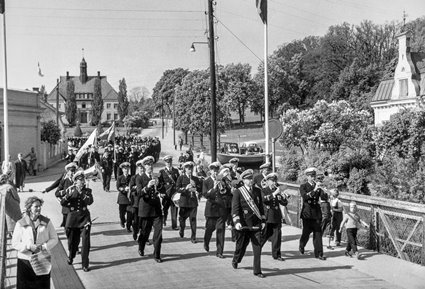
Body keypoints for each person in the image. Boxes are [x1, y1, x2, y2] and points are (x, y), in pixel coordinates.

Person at [12, 196, 58, 289]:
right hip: (25, 261)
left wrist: (44, 247)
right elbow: (15, 243)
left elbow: (54, 238)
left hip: (42, 259)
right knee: (25, 286)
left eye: (40, 206)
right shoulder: (21, 223)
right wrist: (28, 246)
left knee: (42, 286)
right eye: (36, 206)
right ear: (29, 208)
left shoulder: (46, 222)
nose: (39, 208)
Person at [231, 169, 266, 278]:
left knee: (257, 248)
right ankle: (236, 259)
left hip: (255, 224)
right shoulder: (238, 191)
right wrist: (236, 222)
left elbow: (260, 207)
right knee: (241, 246)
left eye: (251, 178)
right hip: (244, 225)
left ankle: (257, 271)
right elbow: (235, 209)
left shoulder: (257, 190)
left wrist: (263, 220)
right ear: (243, 180)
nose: (250, 181)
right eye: (248, 179)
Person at [62, 171, 93, 272]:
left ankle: (85, 264)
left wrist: (82, 193)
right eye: (79, 180)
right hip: (73, 219)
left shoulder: (87, 191)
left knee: (85, 243)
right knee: (72, 242)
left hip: (84, 219)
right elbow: (63, 202)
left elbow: (90, 201)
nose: (81, 182)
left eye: (82, 180)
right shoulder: (70, 190)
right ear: (75, 181)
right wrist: (69, 195)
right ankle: (71, 256)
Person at [136, 156, 163, 262]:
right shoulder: (140, 178)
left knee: (158, 233)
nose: (150, 167)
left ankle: (157, 254)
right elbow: (139, 193)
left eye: (151, 164)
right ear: (144, 166)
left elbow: (162, 189)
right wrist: (147, 186)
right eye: (147, 165)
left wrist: (159, 185)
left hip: (156, 209)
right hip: (146, 209)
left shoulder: (156, 176)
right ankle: (141, 247)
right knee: (144, 232)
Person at [202, 162, 230, 259]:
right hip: (211, 209)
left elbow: (227, 193)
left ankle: (219, 251)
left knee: (221, 230)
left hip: (221, 209)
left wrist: (224, 188)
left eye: (216, 170)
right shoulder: (206, 181)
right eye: (213, 170)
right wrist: (214, 187)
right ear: (210, 171)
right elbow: (205, 195)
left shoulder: (223, 180)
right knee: (210, 228)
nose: (215, 172)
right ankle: (206, 241)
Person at [299, 167, 327, 260]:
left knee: (318, 233)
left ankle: (319, 253)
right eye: (311, 176)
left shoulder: (318, 186)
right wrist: (315, 189)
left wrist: (324, 190)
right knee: (306, 233)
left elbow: (324, 198)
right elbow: (305, 197)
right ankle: (302, 245)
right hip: (307, 213)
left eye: (314, 176)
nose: (313, 178)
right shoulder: (303, 186)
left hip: (316, 213)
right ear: (307, 177)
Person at [260, 172, 288, 261]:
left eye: (275, 181)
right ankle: (257, 248)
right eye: (272, 181)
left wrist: (284, 197)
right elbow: (264, 200)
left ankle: (276, 254)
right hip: (268, 216)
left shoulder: (277, 191)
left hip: (276, 216)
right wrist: (274, 194)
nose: (274, 183)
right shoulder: (264, 190)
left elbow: (284, 203)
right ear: (268, 181)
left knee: (277, 236)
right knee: (265, 235)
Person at [176, 161, 201, 243]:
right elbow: (177, 189)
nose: (190, 170)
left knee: (193, 220)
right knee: (182, 219)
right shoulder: (181, 178)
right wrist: (185, 188)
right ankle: (181, 229)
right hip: (184, 202)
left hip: (193, 202)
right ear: (185, 169)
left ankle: (193, 237)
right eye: (188, 169)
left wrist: (196, 187)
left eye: (191, 169)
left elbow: (200, 189)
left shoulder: (195, 178)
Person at [158, 155, 180, 229]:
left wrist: (178, 191)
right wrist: (161, 192)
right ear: (165, 163)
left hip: (174, 193)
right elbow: (159, 183)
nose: (169, 163)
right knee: (165, 208)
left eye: (170, 162)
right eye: (167, 162)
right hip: (166, 192)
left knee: (174, 209)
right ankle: (164, 220)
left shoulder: (176, 171)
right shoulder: (161, 172)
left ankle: (174, 225)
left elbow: (178, 181)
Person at [55, 162, 77, 228]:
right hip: (66, 207)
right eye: (71, 171)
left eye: (74, 171)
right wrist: (66, 191)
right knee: (66, 225)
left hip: (75, 207)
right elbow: (57, 193)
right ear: (67, 172)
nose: (73, 173)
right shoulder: (64, 181)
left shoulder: (77, 181)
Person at [116, 162, 132, 232]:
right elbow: (118, 187)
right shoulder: (120, 178)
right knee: (122, 213)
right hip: (122, 198)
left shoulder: (131, 177)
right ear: (122, 170)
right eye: (125, 169)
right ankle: (122, 221)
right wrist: (124, 189)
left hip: (129, 199)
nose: (126, 170)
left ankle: (128, 227)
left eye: (127, 169)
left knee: (129, 214)